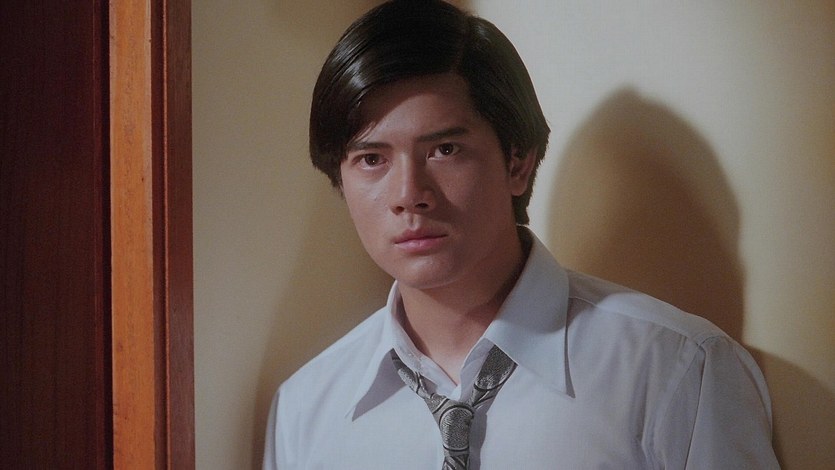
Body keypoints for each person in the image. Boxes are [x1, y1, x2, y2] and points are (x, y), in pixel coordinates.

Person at [263, 1, 779, 468]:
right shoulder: (306, 410)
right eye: (372, 159)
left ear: (518, 162)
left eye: (444, 150)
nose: (409, 194)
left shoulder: (674, 369)